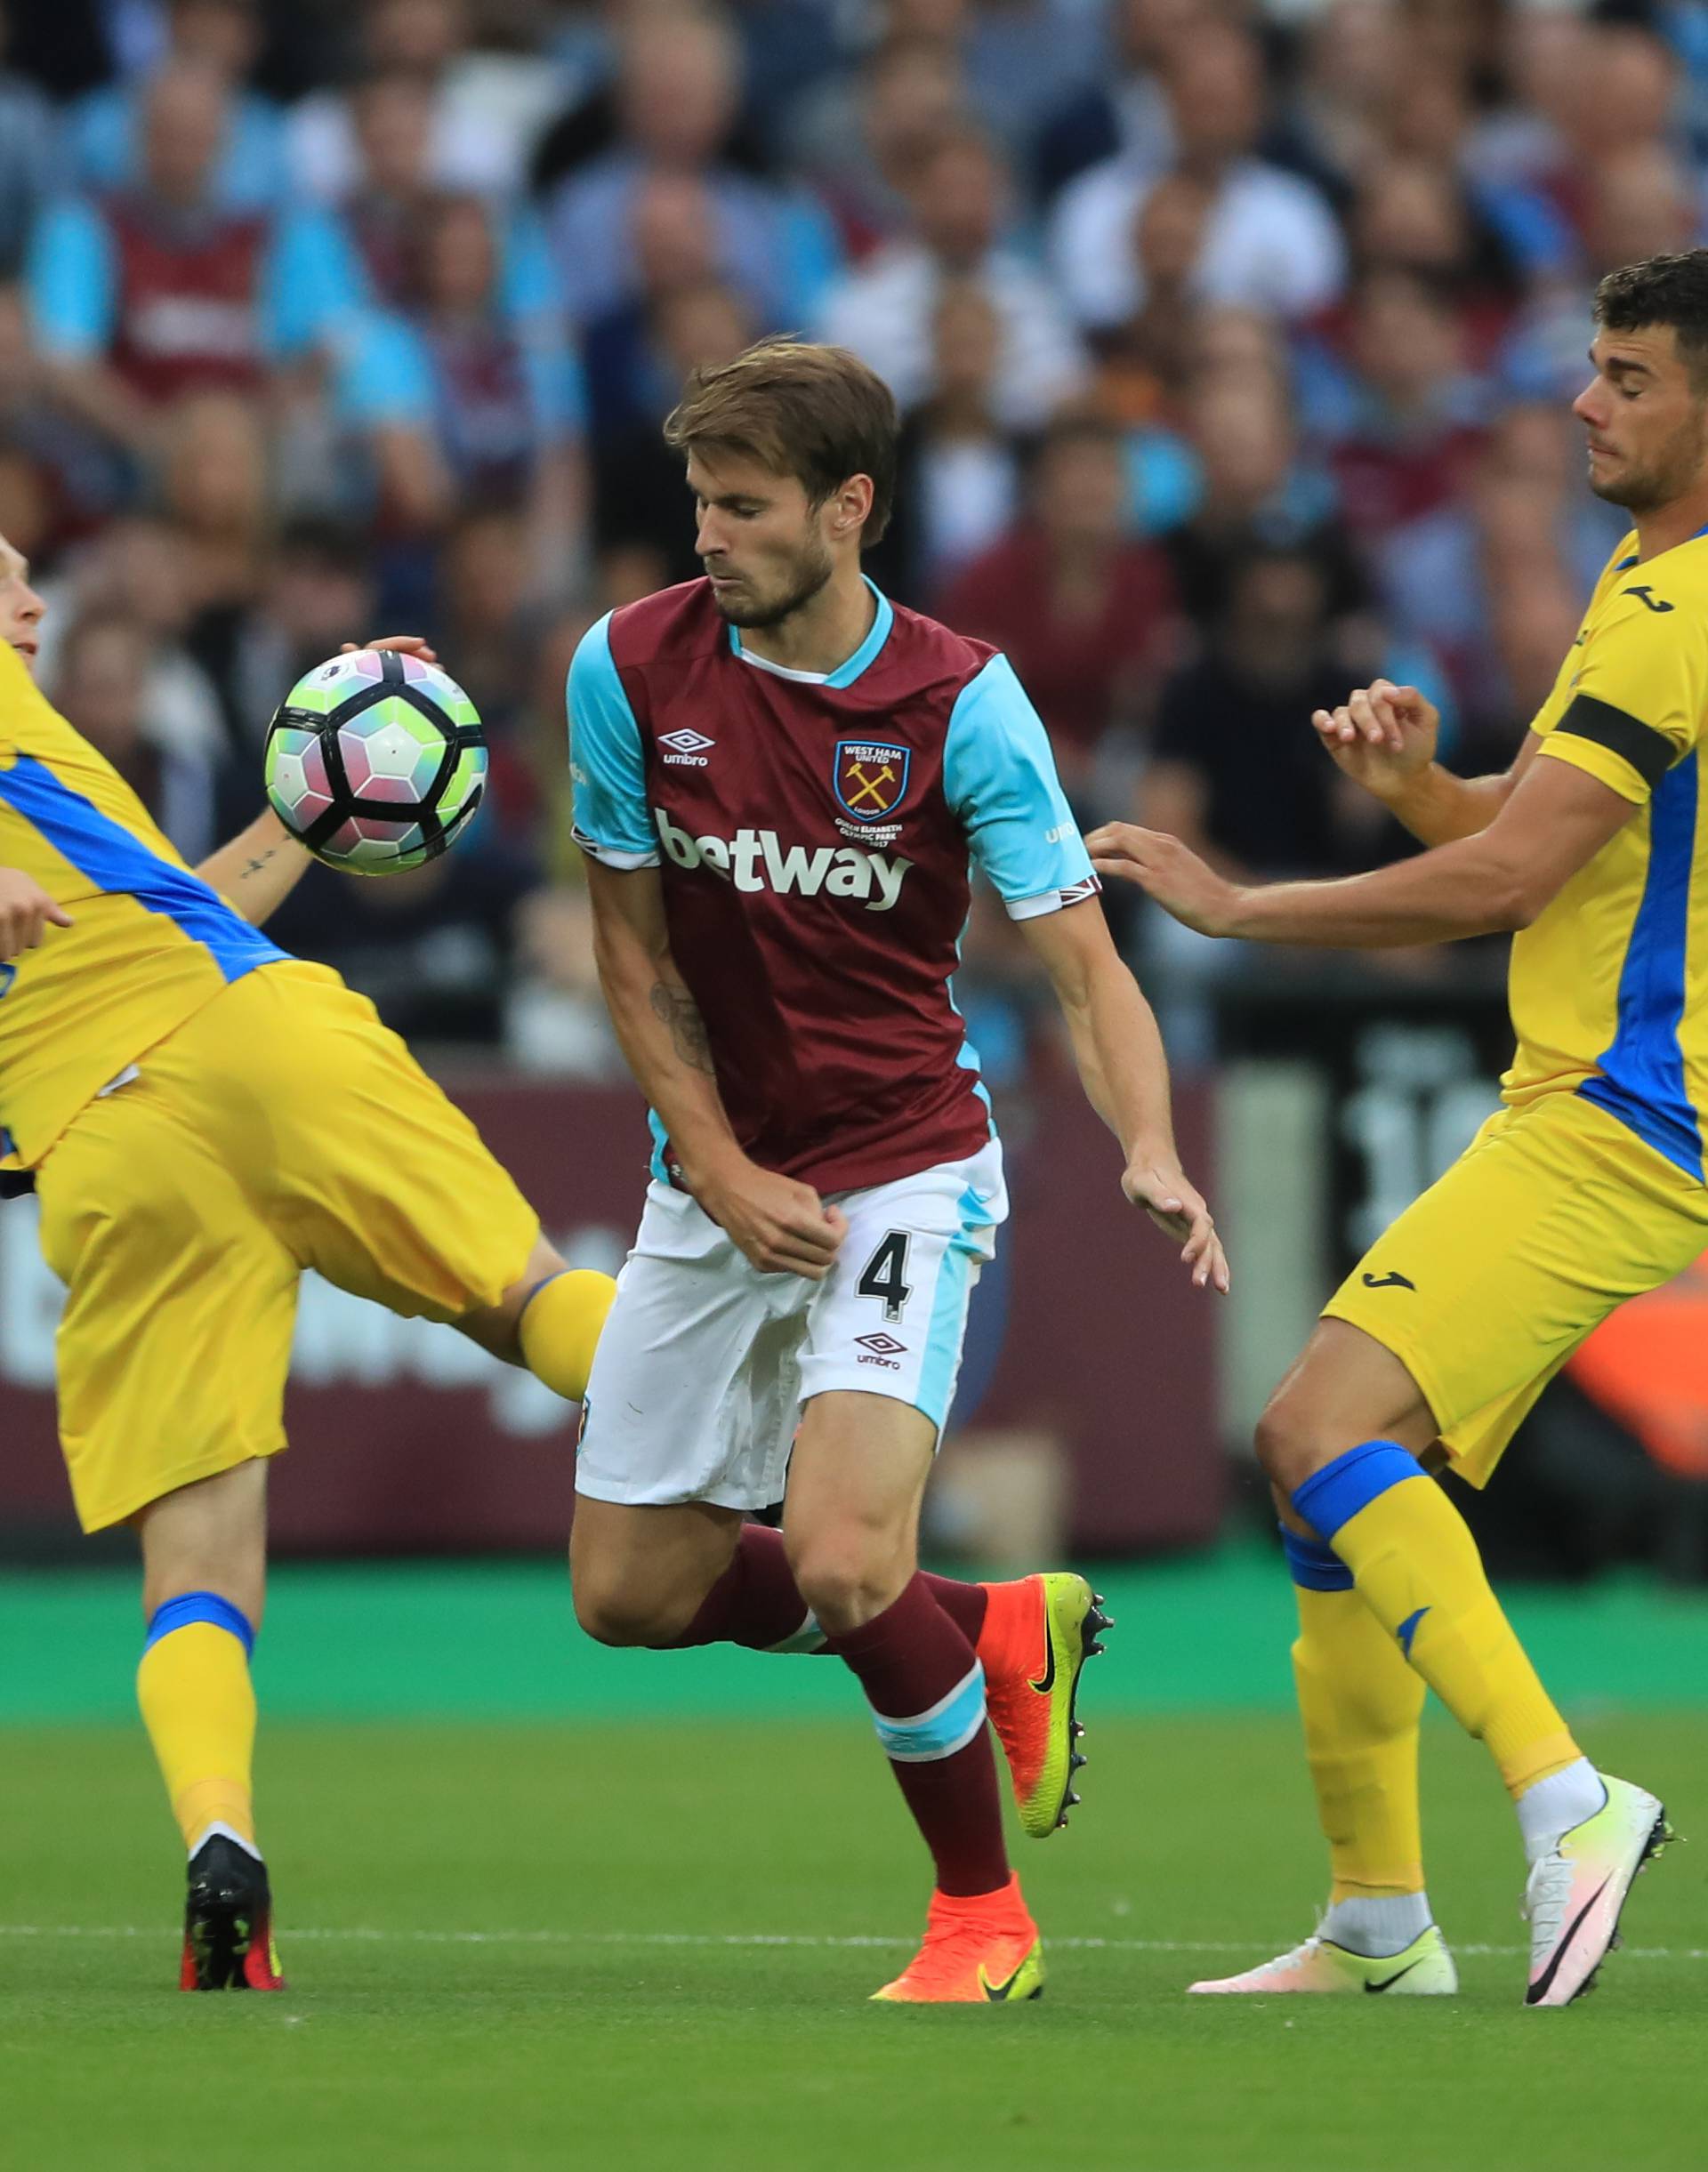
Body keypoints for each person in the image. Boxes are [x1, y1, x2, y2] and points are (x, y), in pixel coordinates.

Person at [567, 337, 1226, 2005]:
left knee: (846, 1556)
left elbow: (1084, 965)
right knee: (628, 1593)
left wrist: (1148, 1143)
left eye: (744, 506)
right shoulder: (628, 669)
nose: (706, 536)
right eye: (697, 502)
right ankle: (1000, 1626)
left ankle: (981, 1917)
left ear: (849, 510)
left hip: (905, 1167)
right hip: (719, 1175)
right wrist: (710, 1166)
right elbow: (635, 968)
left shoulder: (959, 702)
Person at [1084, 249, 1708, 2008]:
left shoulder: (1681, 607)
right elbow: (1538, 821)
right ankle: (1376, 1923)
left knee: (1310, 1426)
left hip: (1622, 1114)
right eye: (1594, 366)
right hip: (1603, 1101)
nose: (1587, 399)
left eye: (1632, 378)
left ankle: (1567, 1795)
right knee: (1335, 1471)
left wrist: (1233, 907)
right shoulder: (1651, 576)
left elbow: (1508, 883)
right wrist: (1419, 789)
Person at [0, 537, 615, 1992]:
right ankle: (803, 1465)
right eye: (2, 578)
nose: (34, 604)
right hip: (255, 1036)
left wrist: (314, 802)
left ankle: (222, 1843)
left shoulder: (53, 756)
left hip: (102, 1139)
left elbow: (163, 914)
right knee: (525, 1295)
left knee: (196, 1558)